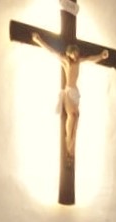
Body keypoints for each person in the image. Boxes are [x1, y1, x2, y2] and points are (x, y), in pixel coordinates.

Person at [31, 31, 109, 160]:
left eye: (77, 53)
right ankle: (68, 141)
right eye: (73, 52)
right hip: (68, 91)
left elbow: (90, 58)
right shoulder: (65, 61)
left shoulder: (78, 62)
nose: (76, 55)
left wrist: (101, 56)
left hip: (75, 92)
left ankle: (72, 143)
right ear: (68, 53)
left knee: (77, 116)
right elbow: (51, 51)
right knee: (72, 115)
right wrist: (38, 40)